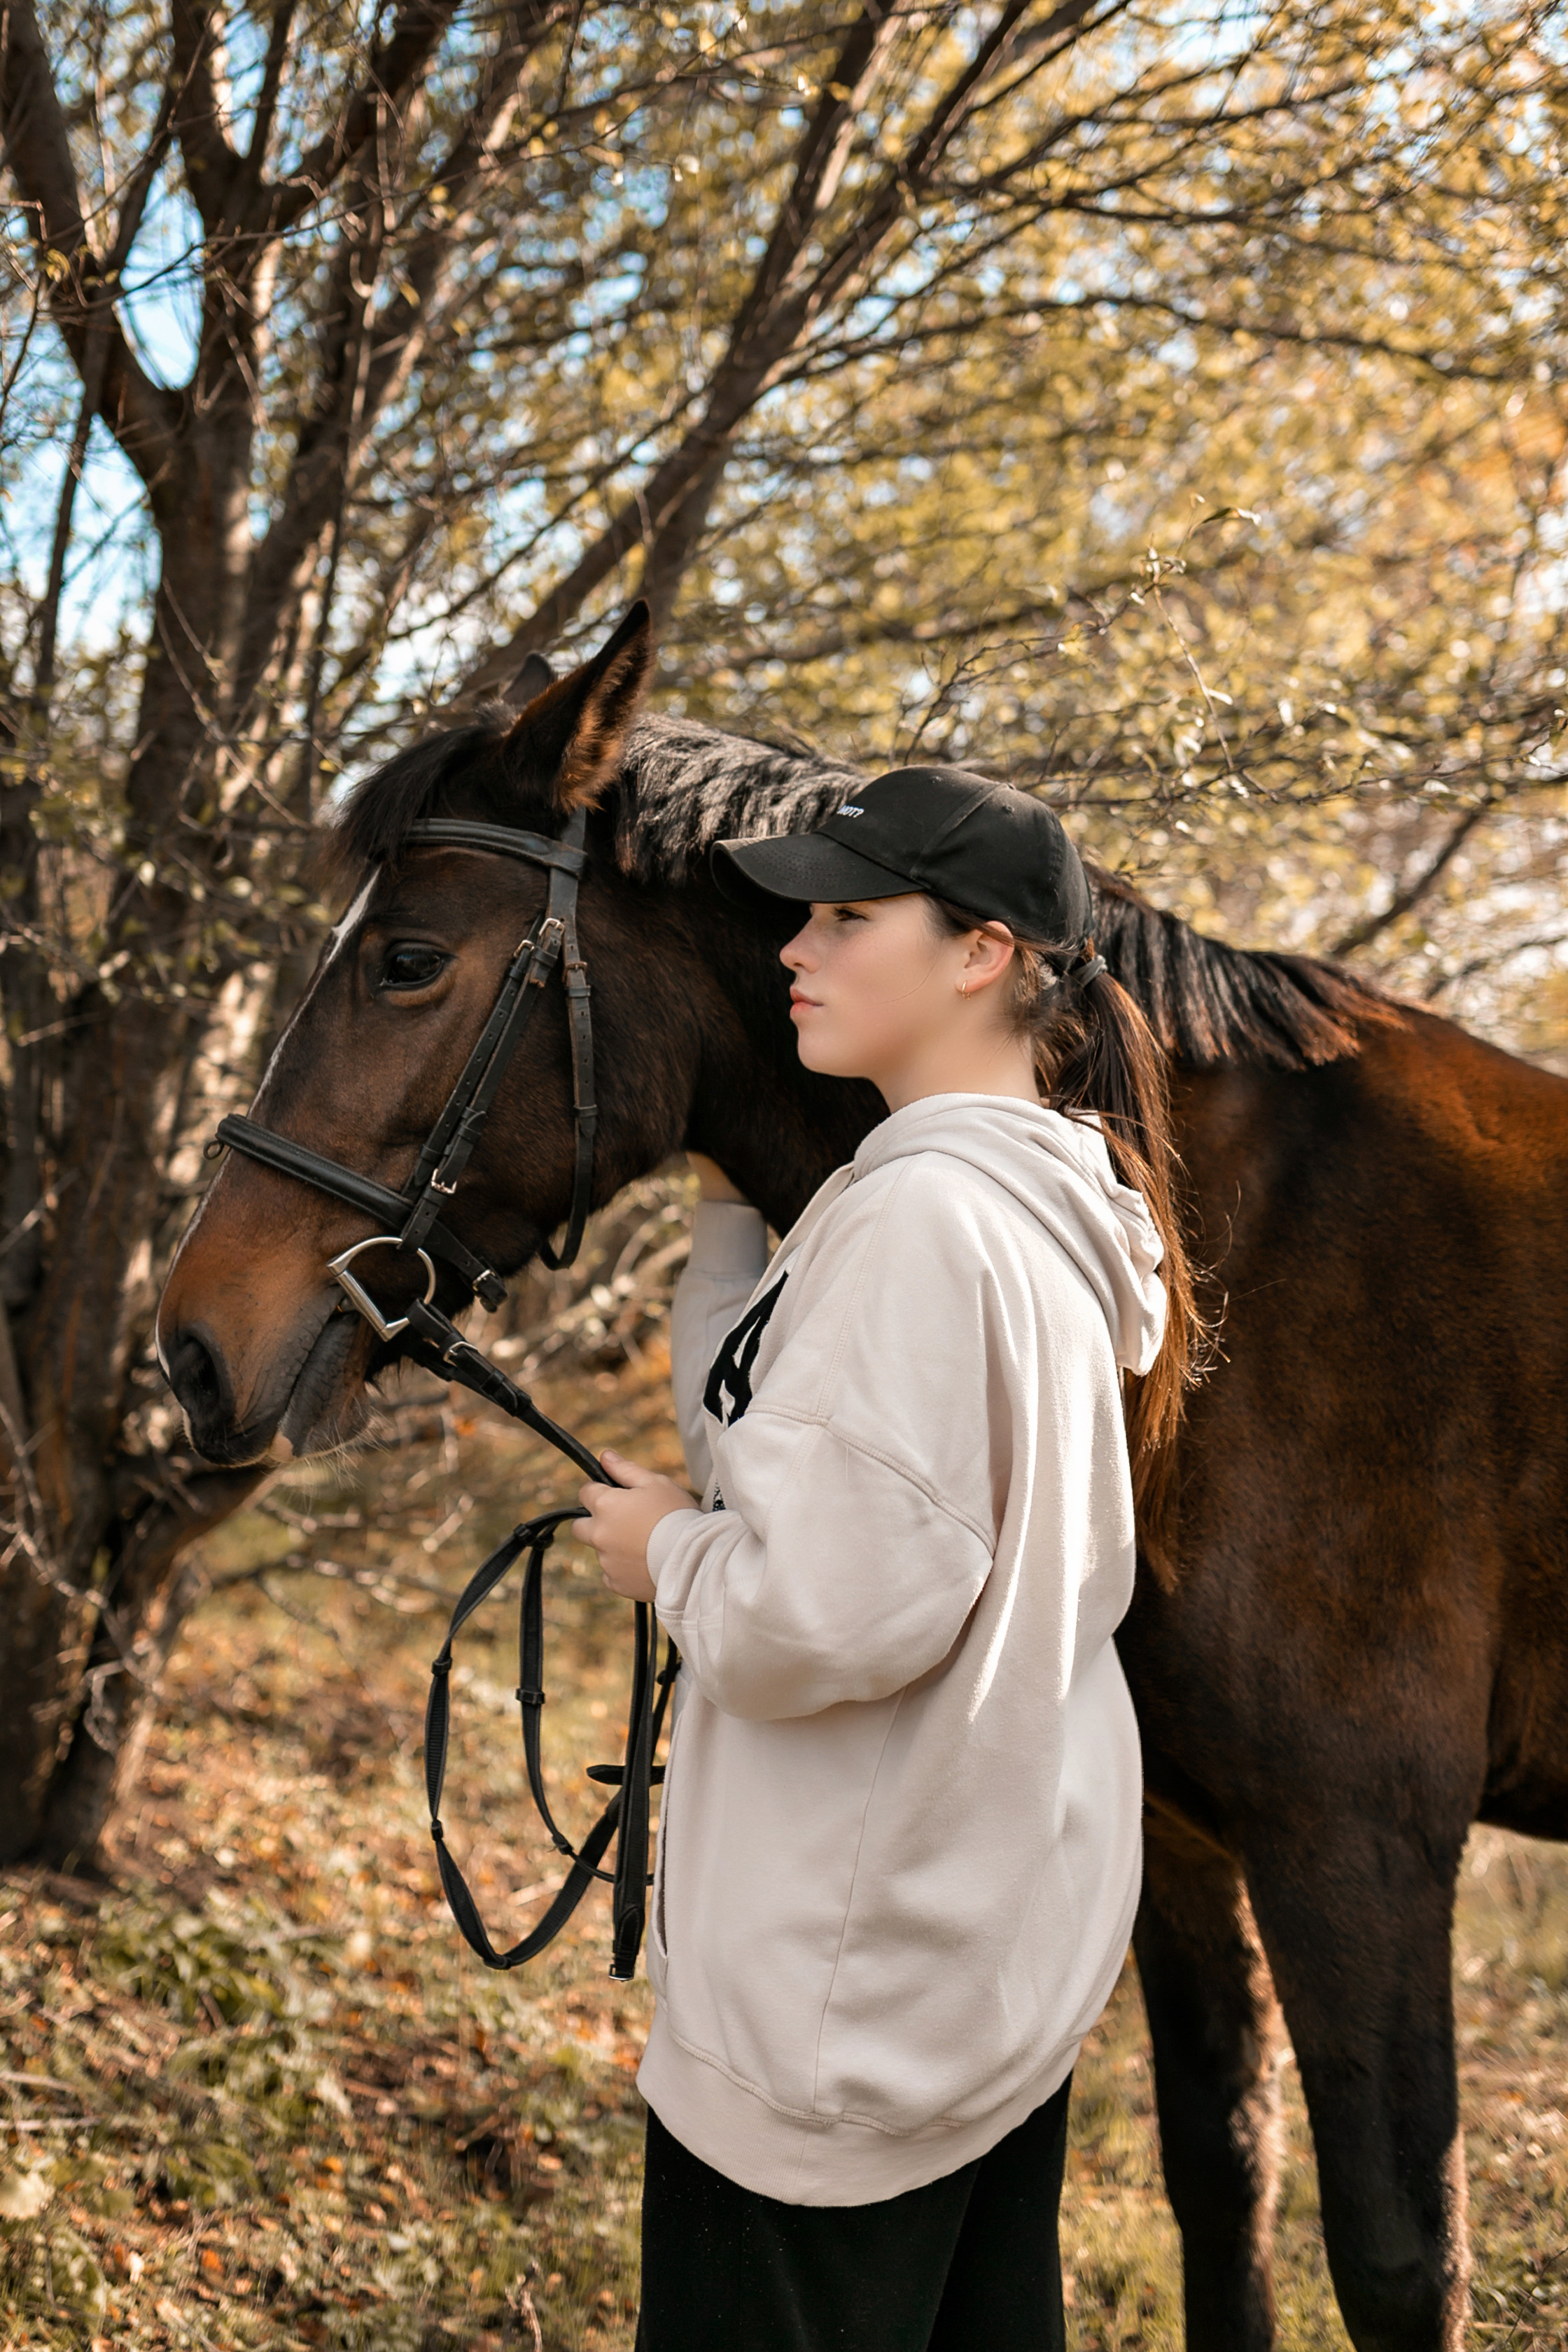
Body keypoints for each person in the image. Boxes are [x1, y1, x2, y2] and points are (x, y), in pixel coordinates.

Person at [575, 765, 1198, 2352]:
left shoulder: (924, 1218)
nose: (796, 947)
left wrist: (666, 1558)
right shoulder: (1030, 1195)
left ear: (980, 951)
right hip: (978, 1969)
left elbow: (815, 1615)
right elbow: (782, 1439)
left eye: (849, 916)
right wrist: (729, 1228)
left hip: (837, 2025)